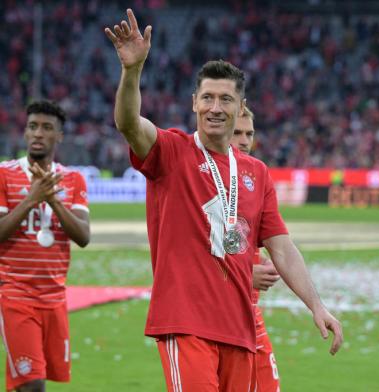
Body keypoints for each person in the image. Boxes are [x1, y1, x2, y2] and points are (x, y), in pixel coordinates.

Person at [105, 9, 343, 391]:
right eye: (208, 98)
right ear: (194, 103)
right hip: (186, 324)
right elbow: (129, 123)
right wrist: (131, 71)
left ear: (239, 106)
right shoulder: (171, 150)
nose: (216, 107)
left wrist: (316, 305)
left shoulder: (256, 172)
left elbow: (282, 248)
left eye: (226, 100)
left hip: (240, 328)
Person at [0, 100, 90, 392]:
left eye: (47, 128)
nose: (38, 133)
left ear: (59, 136)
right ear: (25, 133)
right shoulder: (4, 174)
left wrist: (52, 199)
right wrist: (31, 199)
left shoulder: (73, 179)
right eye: (33, 126)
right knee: (33, 384)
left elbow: (83, 236)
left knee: (26, 383)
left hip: (54, 298)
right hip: (14, 294)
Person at [232, 106, 281, 392]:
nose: (245, 140)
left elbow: (278, 243)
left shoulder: (257, 175)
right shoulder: (203, 179)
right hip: (218, 319)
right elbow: (193, 251)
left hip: (251, 315)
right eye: (237, 133)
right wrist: (244, 273)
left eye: (249, 133)